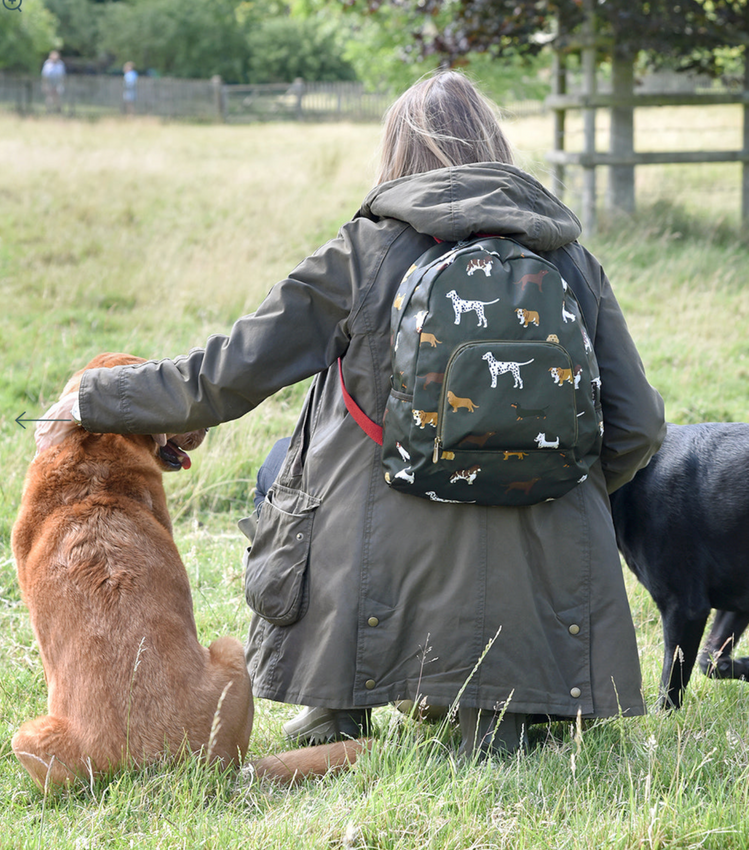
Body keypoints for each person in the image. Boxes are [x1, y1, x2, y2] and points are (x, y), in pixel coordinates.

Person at [34, 70, 665, 758]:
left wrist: (93, 398)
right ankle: (501, 716)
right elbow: (636, 426)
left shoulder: (364, 251)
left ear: (397, 154)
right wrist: (545, 474)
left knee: (327, 437)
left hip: (380, 559)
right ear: (494, 143)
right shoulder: (568, 257)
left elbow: (229, 373)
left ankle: (334, 707)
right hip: (539, 567)